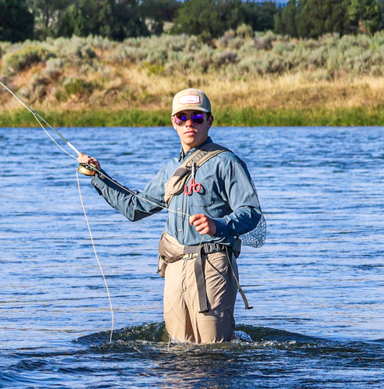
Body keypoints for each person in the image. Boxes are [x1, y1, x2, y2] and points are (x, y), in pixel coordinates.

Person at [76, 89, 263, 344]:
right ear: (173, 122)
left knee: (214, 350)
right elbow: (134, 208)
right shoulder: (170, 170)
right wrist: (99, 176)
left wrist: (218, 225)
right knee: (177, 348)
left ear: (210, 120)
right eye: (182, 118)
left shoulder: (227, 162)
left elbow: (251, 213)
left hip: (212, 264)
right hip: (174, 266)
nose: (189, 123)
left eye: (197, 118)